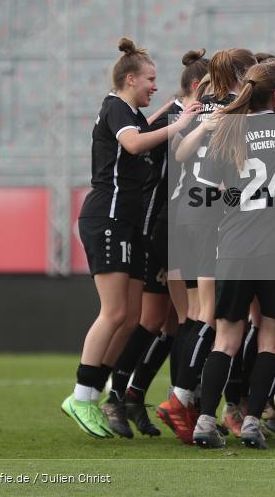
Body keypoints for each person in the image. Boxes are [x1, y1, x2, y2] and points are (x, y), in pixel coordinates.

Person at [62, 38, 198, 439]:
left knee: (131, 317)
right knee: (114, 312)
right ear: (130, 78)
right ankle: (81, 396)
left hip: (127, 222)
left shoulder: (129, 111)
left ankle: (101, 392)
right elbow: (135, 141)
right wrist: (180, 124)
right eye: (151, 79)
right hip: (108, 217)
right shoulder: (116, 106)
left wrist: (176, 112)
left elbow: (144, 128)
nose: (155, 86)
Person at [191, 61, 275, 449]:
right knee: (271, 340)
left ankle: (205, 420)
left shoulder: (228, 129)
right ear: (274, 94)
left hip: (235, 246)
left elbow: (205, 191)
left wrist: (235, 199)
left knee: (225, 340)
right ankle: (253, 420)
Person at [157, 48, 256, 444]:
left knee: (196, 313)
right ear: (241, 73)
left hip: (186, 210)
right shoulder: (236, 108)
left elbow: (180, 153)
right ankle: (181, 398)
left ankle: (185, 398)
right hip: (213, 212)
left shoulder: (202, 104)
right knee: (210, 316)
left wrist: (199, 126)